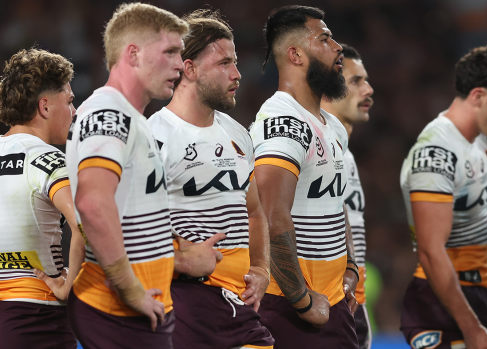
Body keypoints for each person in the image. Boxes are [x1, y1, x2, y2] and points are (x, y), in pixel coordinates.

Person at [65, 4, 221, 348]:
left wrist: (180, 258)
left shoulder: (133, 117)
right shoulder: (109, 112)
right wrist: (129, 287)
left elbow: (129, 215)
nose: (180, 64)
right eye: (170, 52)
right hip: (117, 311)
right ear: (133, 54)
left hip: (139, 309)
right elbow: (92, 204)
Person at [148, 9, 274, 349]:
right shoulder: (154, 138)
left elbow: (254, 211)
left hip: (240, 303)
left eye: (235, 62)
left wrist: (261, 268)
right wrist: (178, 257)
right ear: (188, 69)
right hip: (184, 300)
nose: (237, 74)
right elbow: (125, 224)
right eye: (224, 64)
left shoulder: (237, 134)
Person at [399, 44, 487, 349]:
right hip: (441, 304)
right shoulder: (435, 152)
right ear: (478, 96)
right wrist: (471, 328)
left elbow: (481, 234)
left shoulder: (480, 145)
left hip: (479, 295)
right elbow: (431, 252)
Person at [249, 5, 359, 348]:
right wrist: (302, 300)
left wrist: (351, 266)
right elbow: (270, 215)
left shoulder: (333, 126)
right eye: (324, 38)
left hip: (332, 303)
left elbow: (336, 202)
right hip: (288, 308)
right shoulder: (283, 123)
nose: (338, 47)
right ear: (295, 54)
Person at [0, 48, 82, 349]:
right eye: (70, 102)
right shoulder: (47, 158)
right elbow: (85, 222)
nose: (74, 112)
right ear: (45, 106)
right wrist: (71, 284)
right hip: (36, 317)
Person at [321, 43, 374, 349]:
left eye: (365, 80)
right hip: (327, 302)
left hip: (352, 301)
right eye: (356, 81)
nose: (368, 89)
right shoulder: (312, 151)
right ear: (326, 90)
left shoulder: (346, 156)